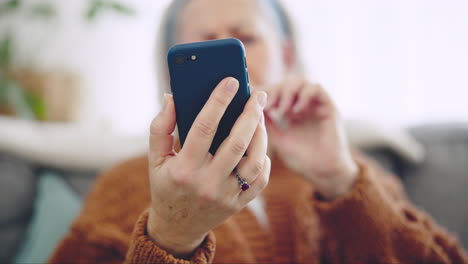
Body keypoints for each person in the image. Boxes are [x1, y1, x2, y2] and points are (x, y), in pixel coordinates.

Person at [49, 0, 468, 263]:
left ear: (286, 54)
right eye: (203, 45)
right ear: (171, 66)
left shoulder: (352, 172)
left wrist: (340, 181)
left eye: (246, 38)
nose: (229, 59)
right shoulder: (125, 183)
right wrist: (171, 235)